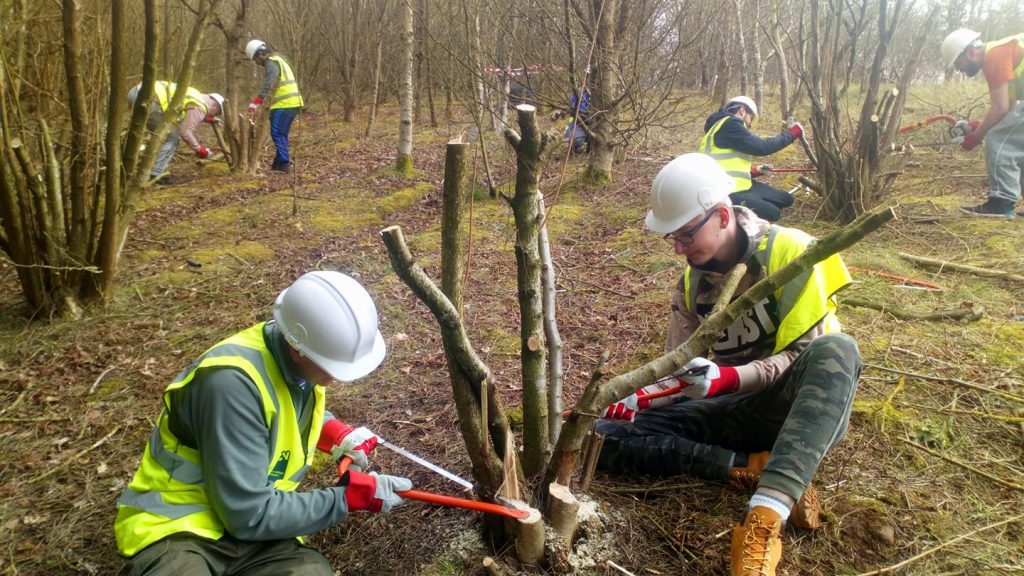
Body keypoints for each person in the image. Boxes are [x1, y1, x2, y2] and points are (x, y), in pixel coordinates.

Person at [597, 153, 862, 576]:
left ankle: (764, 517)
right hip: (732, 411)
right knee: (600, 437)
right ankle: (747, 467)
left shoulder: (792, 251)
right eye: (673, 239)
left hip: (798, 409)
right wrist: (639, 397)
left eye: (686, 234)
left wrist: (726, 378)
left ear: (722, 215)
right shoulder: (691, 283)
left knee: (839, 349)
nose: (680, 248)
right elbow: (679, 368)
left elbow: (802, 356)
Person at [114, 271, 412, 575]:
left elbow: (276, 406)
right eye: (331, 366)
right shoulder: (229, 385)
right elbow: (248, 514)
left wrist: (334, 433)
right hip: (180, 527)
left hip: (260, 536)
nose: (335, 377)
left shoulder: (297, 356)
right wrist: (346, 498)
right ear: (297, 349)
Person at [941, 28, 1024, 218]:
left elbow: (1000, 108)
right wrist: (977, 125)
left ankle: (1001, 203)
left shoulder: (995, 56)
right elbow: (1009, 108)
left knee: (998, 138)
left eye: (958, 62)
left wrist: (976, 138)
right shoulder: (1003, 51)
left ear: (970, 52)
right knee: (1019, 144)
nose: (958, 68)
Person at [699, 96, 805, 222]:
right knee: (773, 213)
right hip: (727, 193)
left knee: (786, 199)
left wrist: (755, 171)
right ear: (742, 111)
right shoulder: (730, 124)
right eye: (751, 118)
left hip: (742, 187)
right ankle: (730, 211)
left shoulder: (721, 127)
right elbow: (762, 147)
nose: (749, 124)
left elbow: (726, 165)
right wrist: (792, 133)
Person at [127, 81, 225, 185]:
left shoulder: (196, 95)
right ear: (215, 105)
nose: (216, 115)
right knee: (172, 138)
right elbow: (185, 132)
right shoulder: (200, 106)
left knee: (159, 136)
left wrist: (208, 119)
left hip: (137, 92)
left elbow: (189, 114)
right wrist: (200, 150)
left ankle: (146, 169)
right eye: (217, 113)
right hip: (150, 99)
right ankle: (156, 174)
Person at [246, 39, 304, 173]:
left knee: (277, 133)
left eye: (255, 59)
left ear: (259, 54)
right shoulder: (279, 59)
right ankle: (277, 164)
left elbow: (269, 83)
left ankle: (284, 164)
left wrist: (256, 101)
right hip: (293, 102)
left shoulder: (271, 62)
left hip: (284, 104)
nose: (256, 63)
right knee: (281, 133)